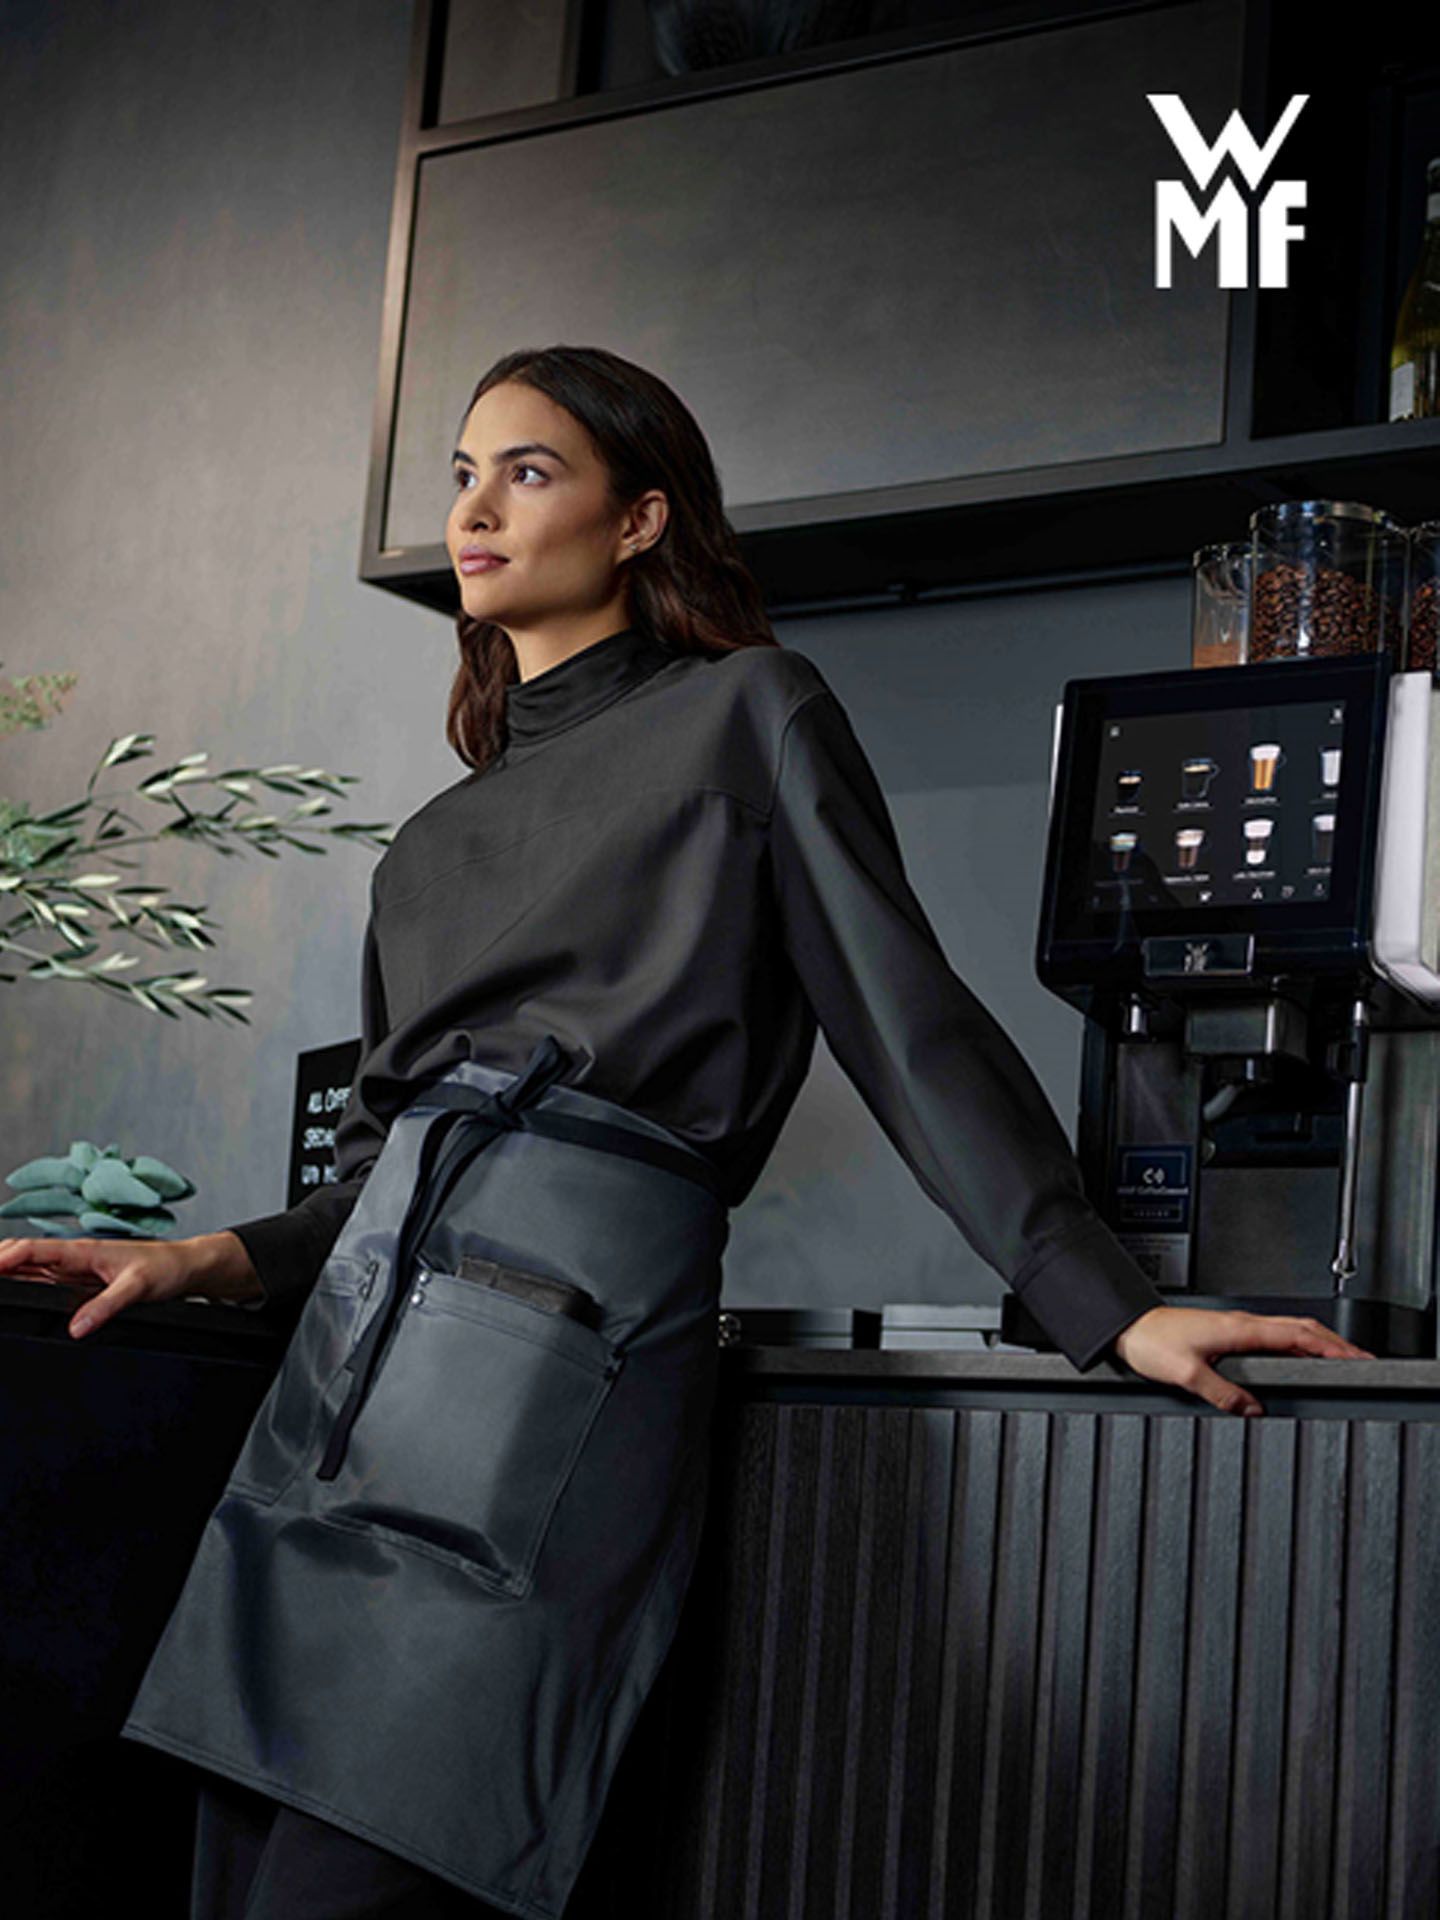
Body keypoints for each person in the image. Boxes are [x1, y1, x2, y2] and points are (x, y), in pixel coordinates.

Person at [0, 345, 1371, 1917]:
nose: (476, 507)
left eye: (528, 470)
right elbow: (379, 1171)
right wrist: (195, 1260)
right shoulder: (430, 846)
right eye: (461, 472)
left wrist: (1103, 1302)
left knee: (378, 1863)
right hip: (344, 1374)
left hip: (559, 1354)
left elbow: (902, 1020)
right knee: (238, 1851)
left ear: (642, 518)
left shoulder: (748, 713)